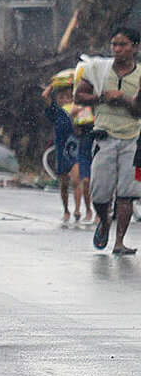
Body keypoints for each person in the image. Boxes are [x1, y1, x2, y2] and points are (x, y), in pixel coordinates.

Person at [74, 27, 141, 253]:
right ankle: (104, 221)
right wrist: (100, 97)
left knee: (127, 195)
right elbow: (79, 95)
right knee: (100, 194)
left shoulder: (140, 74)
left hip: (133, 141)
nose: (117, 49)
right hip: (104, 137)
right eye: (114, 45)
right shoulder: (98, 69)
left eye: (123, 45)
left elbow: (139, 111)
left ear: (135, 47)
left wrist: (124, 98)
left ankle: (119, 242)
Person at [43, 74, 90, 223]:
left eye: (68, 97)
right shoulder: (56, 112)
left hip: (75, 149)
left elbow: (80, 131)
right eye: (61, 97)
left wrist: (75, 118)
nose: (65, 100)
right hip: (61, 150)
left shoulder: (79, 110)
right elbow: (45, 96)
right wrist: (53, 85)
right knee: (63, 183)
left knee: (77, 180)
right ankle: (66, 210)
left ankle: (77, 209)